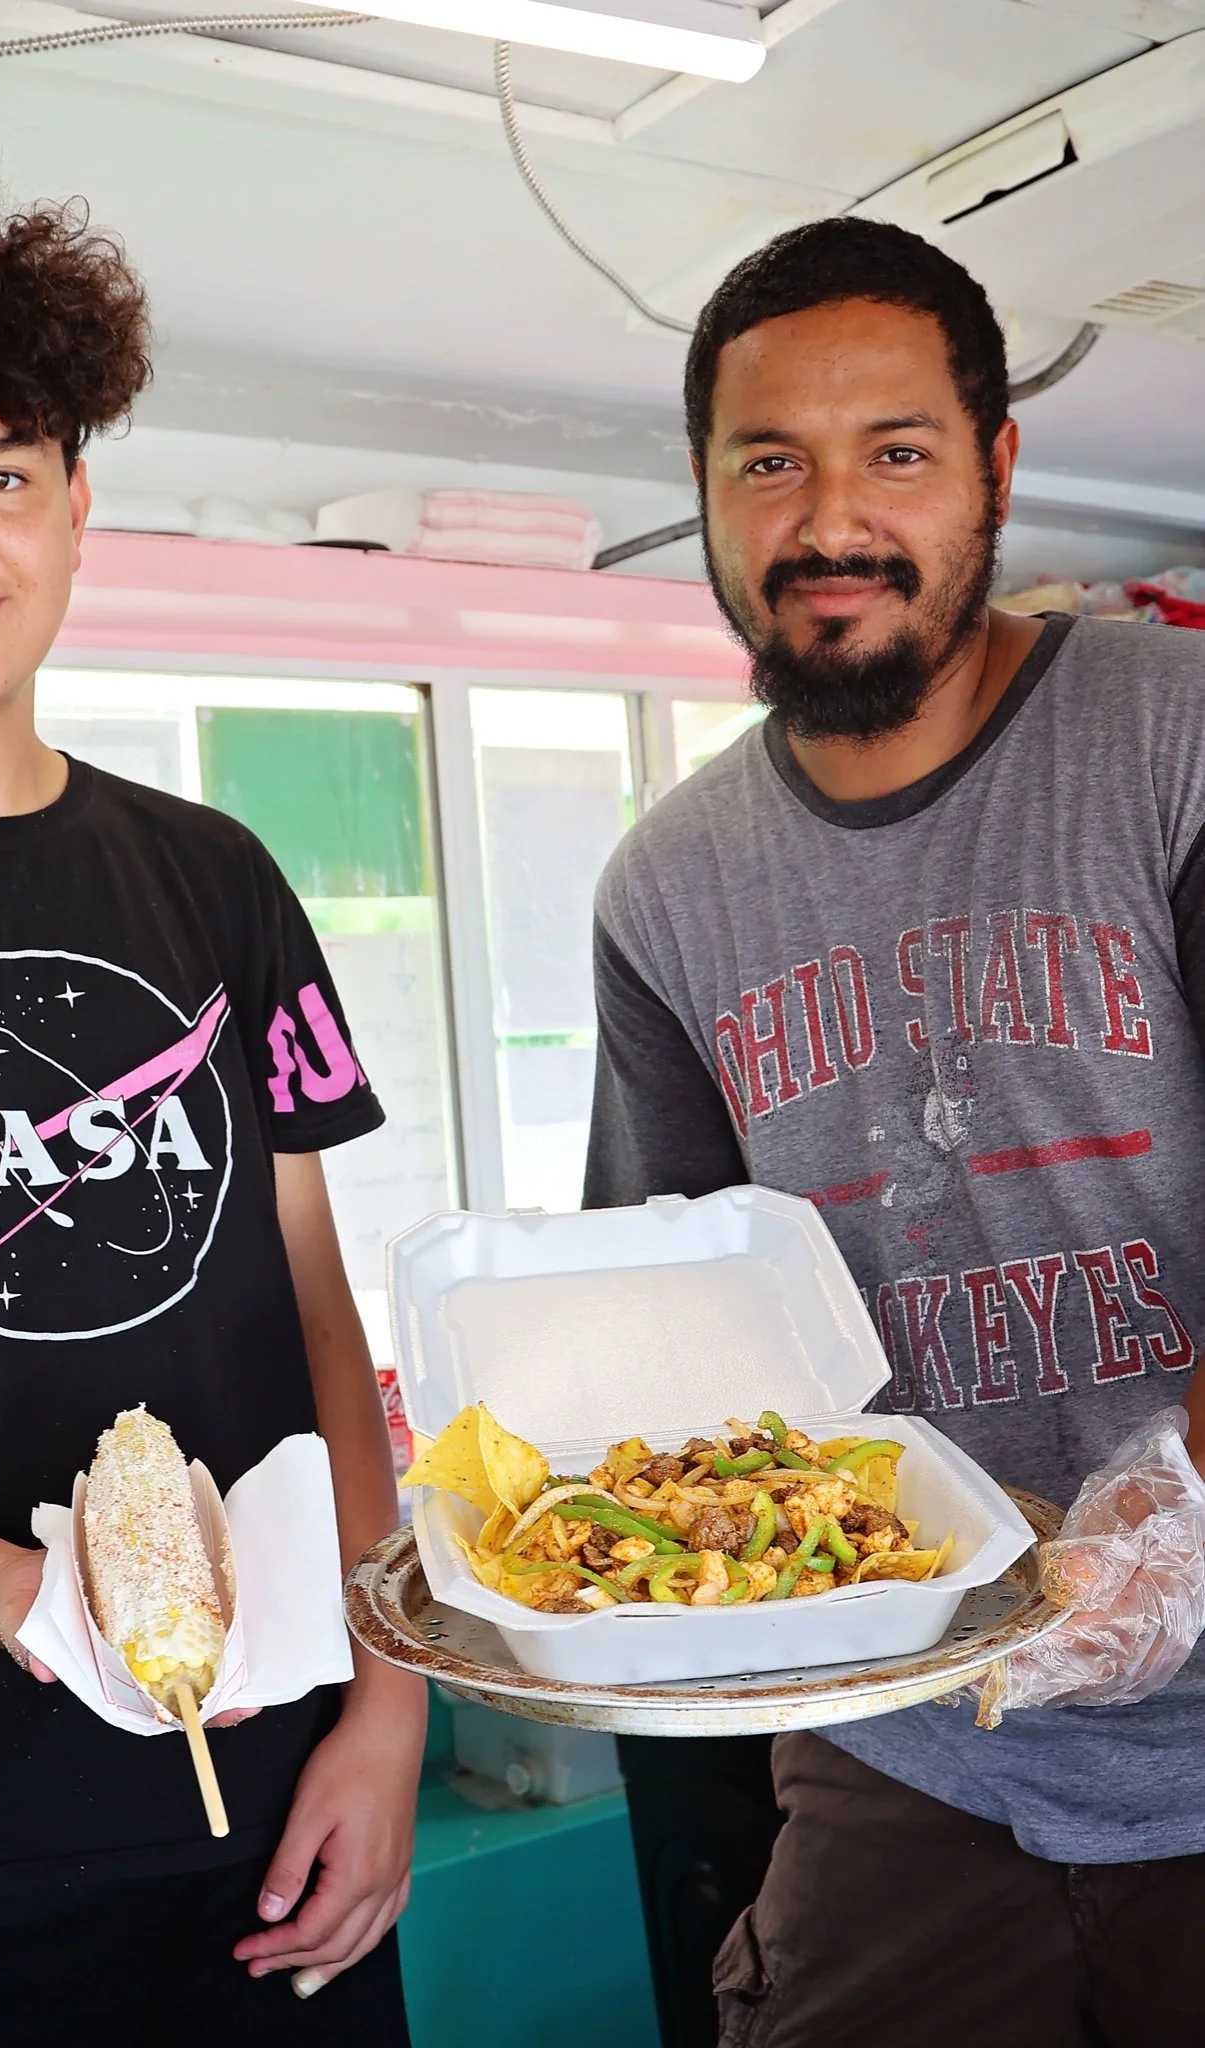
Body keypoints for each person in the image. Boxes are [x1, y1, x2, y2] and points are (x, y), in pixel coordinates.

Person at [583, 215, 1205, 2048]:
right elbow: (681, 1329)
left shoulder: (1175, 744)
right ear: (702, 491)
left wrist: (1177, 1526)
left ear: (998, 470)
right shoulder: (667, 890)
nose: (831, 521)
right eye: (770, 462)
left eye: (898, 455)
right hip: (912, 1745)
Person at [0, 149, 424, 2042]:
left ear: (80, 505)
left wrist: (389, 1696)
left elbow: (321, 1312)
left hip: (274, 1822)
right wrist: (28, 1604)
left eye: (1, 473)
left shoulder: (219, 878)